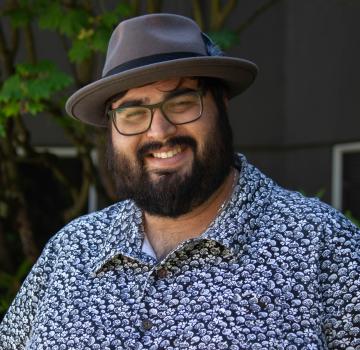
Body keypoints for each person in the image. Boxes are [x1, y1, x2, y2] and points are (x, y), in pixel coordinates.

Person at [0, 13, 359, 350]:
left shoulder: (324, 246)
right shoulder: (71, 251)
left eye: (182, 103)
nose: (159, 132)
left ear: (222, 105)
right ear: (111, 128)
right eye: (133, 112)